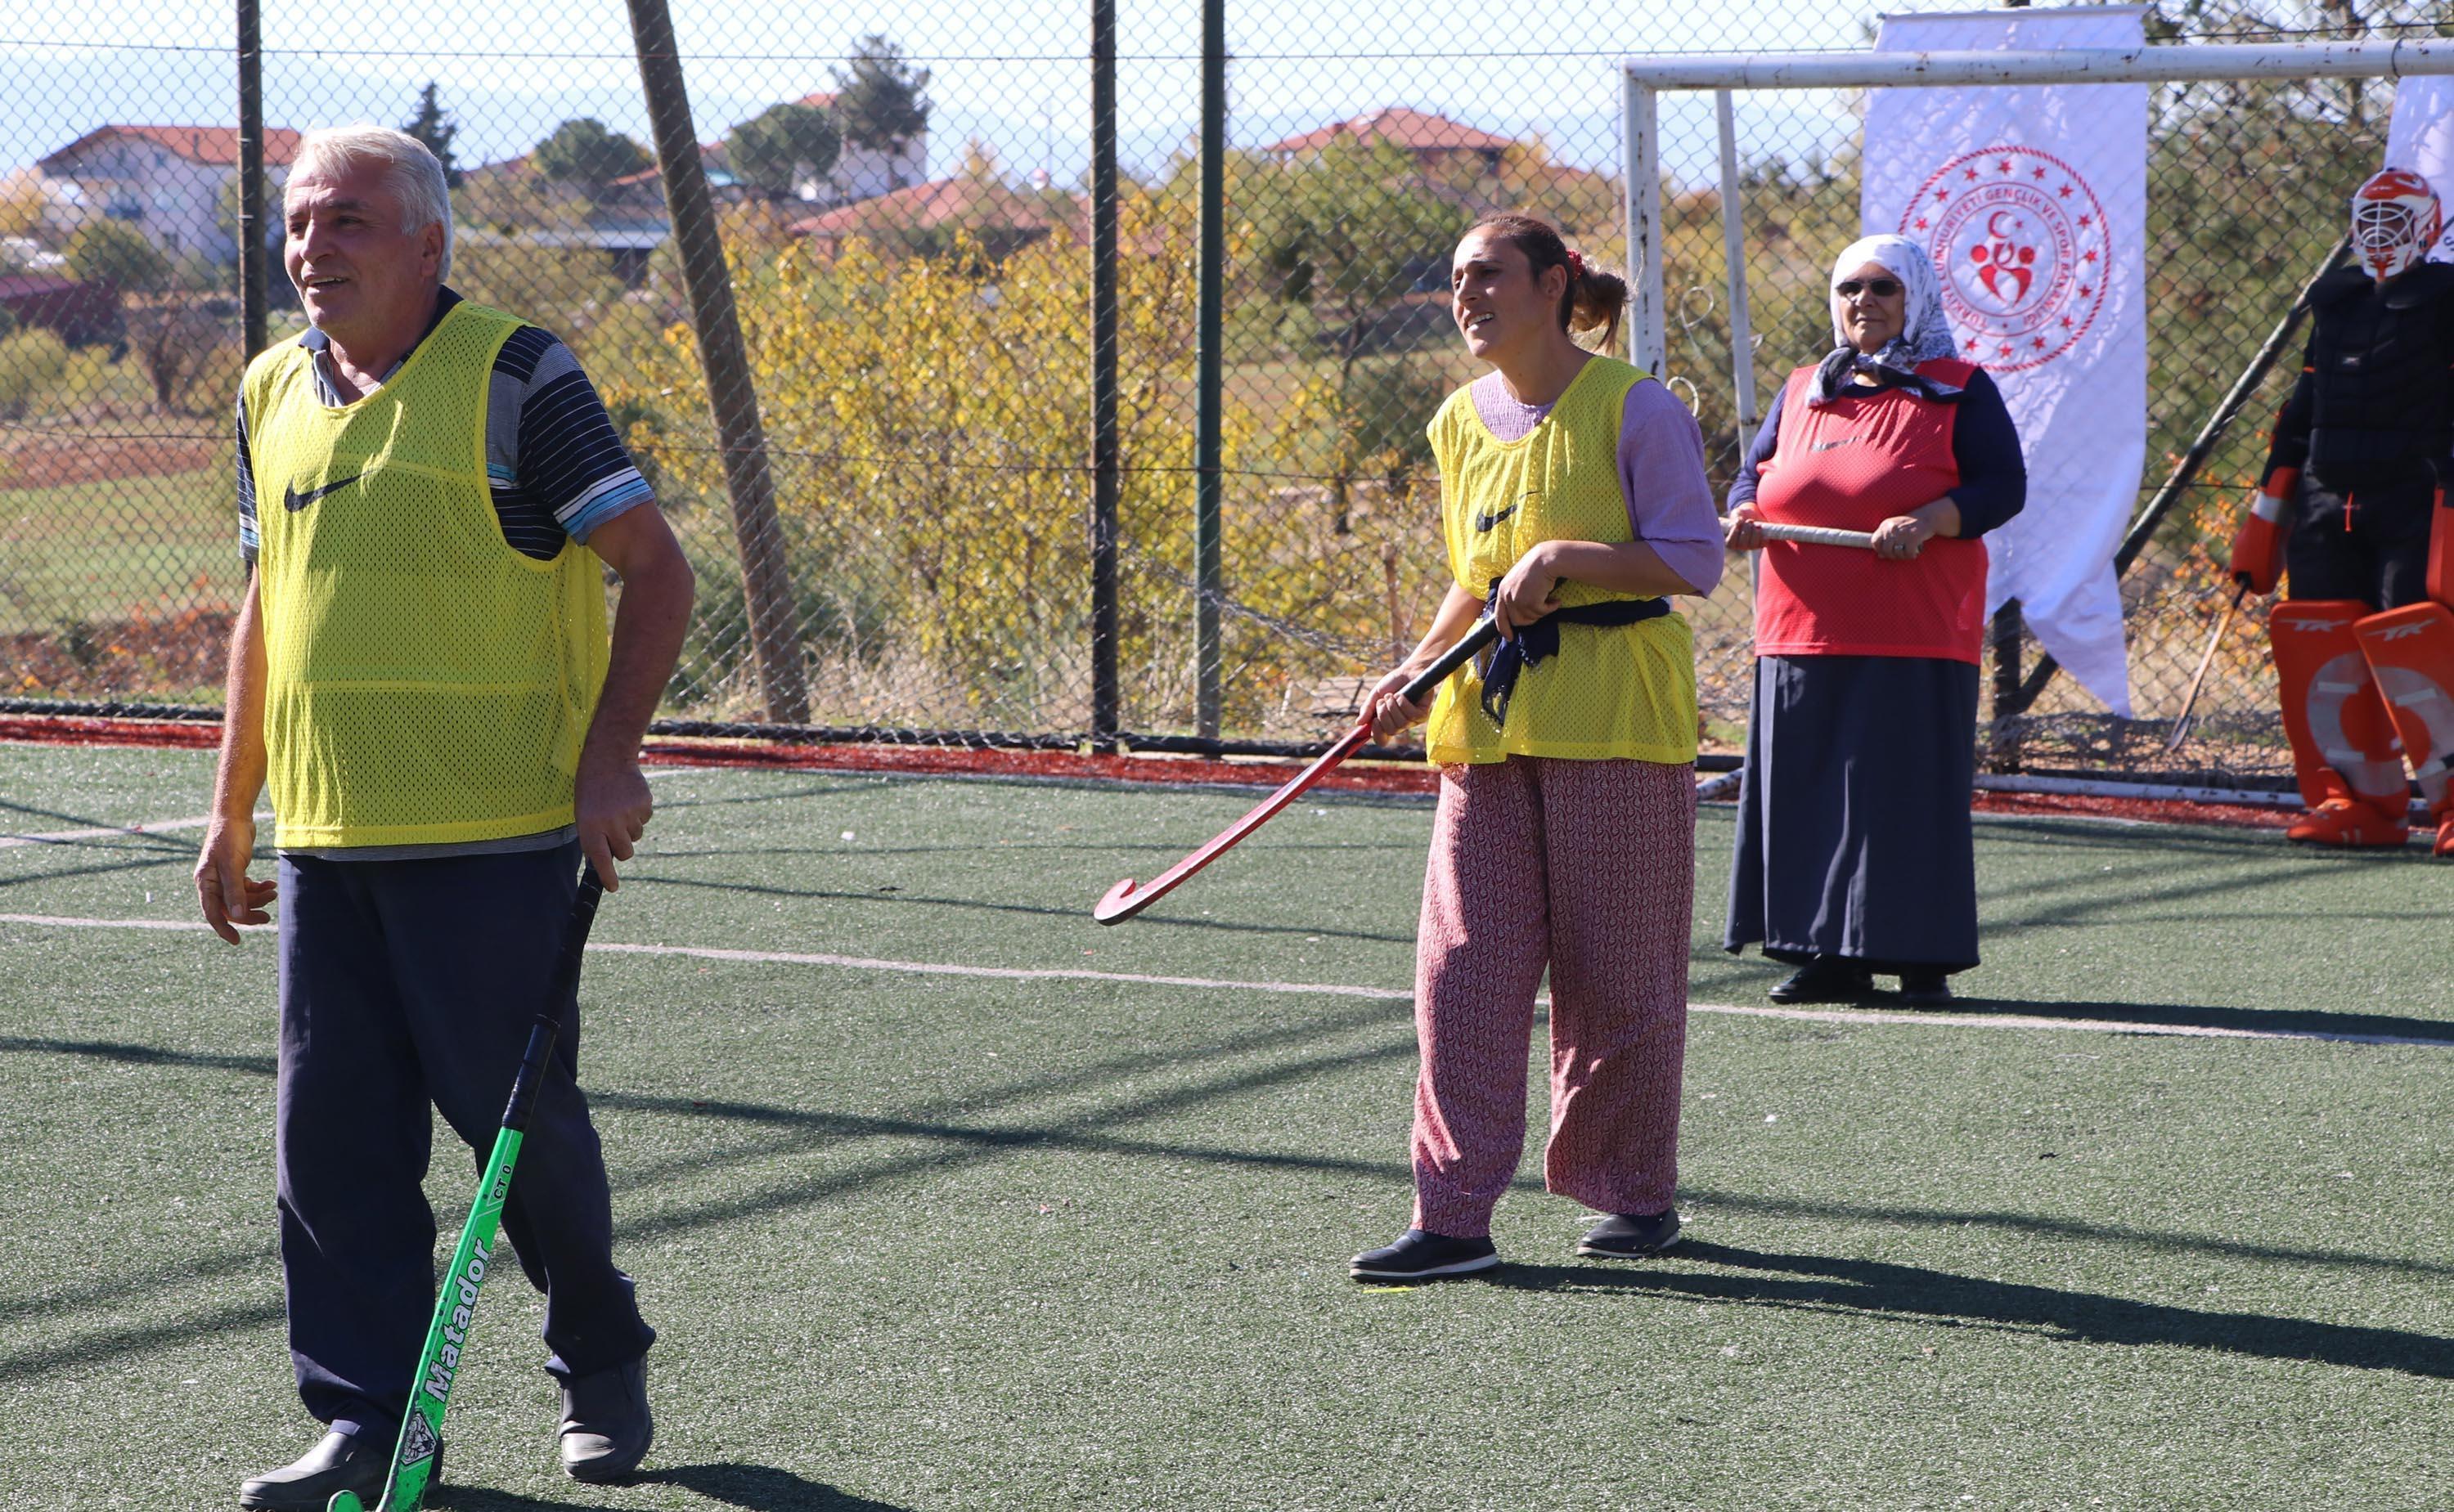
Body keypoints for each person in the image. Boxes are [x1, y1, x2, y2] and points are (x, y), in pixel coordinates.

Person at [193, 126, 694, 1510]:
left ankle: (598, 1350)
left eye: (346, 221)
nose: (311, 250)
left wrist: (612, 759)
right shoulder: (264, 390)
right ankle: (367, 1424)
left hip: (498, 843)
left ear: (427, 243)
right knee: (332, 1154)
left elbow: (655, 569)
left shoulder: (521, 375)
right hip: (331, 847)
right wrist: (232, 804)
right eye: (298, 224)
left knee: (523, 1139)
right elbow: (265, 602)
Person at [1347, 213, 1723, 1282]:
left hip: (1618, 719)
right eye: (1457, 277)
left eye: (1490, 275)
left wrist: (1564, 554)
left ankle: (1634, 1197)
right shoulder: (1457, 421)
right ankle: (1453, 1214)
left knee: (1619, 978)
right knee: (1463, 972)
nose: (1468, 295)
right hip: (1487, 726)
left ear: (1554, 284)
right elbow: (1476, 577)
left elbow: (1691, 559)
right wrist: (1415, 674)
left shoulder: (1635, 407)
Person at [1721, 233, 2026, 1007]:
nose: (1864, 302)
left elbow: (2003, 486)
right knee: (1806, 791)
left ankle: (1920, 960)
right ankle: (1824, 954)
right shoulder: (1804, 389)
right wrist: (1745, 515)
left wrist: (1932, 518)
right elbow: (1750, 477)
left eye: (1883, 288)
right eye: (1850, 288)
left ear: (1915, 298)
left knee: (1902, 795)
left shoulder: (1960, 387)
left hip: (1912, 632)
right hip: (1799, 632)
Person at [2229, 168, 2454, 855]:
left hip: (2416, 496)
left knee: (2416, 639)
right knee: (2319, 640)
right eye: (2371, 216)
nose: (2380, 232)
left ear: (2431, 226)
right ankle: (2357, 802)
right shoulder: (2336, 302)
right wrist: (2268, 510)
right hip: (2329, 497)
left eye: (2397, 217)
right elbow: (2300, 412)